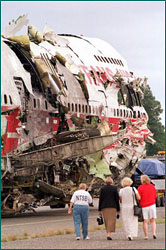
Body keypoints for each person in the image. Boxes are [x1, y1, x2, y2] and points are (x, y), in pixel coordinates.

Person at [138, 175, 157, 240]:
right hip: (152, 205)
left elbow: (139, 197)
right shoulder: (152, 186)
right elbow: (155, 196)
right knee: (152, 220)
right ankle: (154, 233)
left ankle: (146, 235)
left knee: (145, 221)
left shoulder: (140, 187)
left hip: (144, 206)